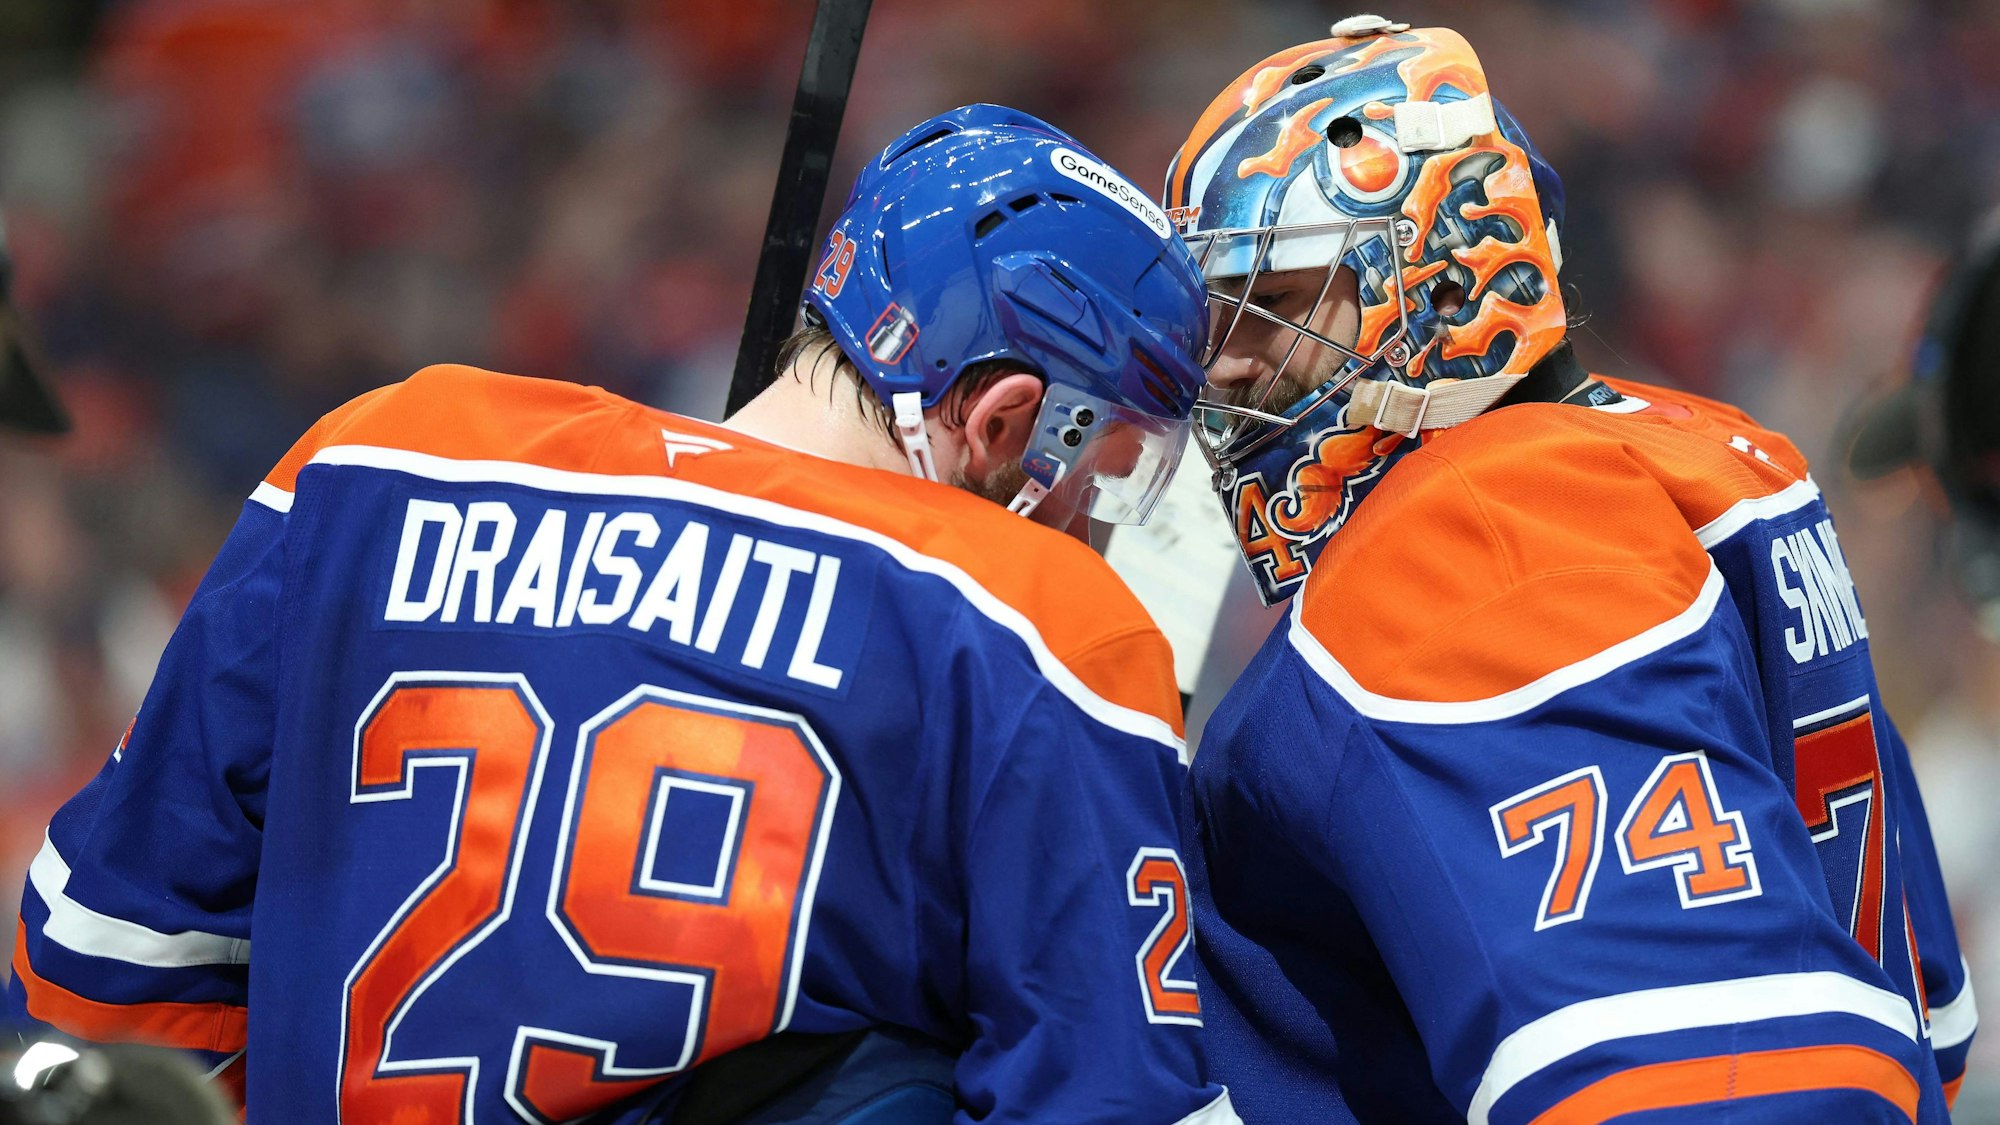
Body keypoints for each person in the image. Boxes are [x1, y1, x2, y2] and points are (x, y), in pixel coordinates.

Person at [6, 103, 1242, 1124]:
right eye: (1105, 473)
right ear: (1004, 417)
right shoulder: (1035, 619)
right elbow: (1106, 1094)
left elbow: (113, 941)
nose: (1096, 524)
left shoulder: (381, 454)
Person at [1164, 17, 1974, 1123]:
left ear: (1439, 274)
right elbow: (1920, 1012)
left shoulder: (1486, 522)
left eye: (1281, 300)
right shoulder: (1710, 451)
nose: (1227, 366)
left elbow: (1702, 1071)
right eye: (1219, 322)